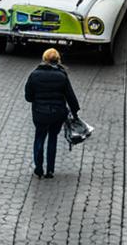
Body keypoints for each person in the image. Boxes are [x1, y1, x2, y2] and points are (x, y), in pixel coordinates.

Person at [23, 48, 80, 179]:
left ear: (44, 59)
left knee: (39, 138)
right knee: (52, 138)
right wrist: (75, 112)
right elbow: (70, 95)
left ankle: (38, 168)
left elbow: (28, 97)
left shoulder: (34, 75)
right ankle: (50, 170)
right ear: (58, 60)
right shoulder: (62, 75)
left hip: (40, 114)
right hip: (57, 113)